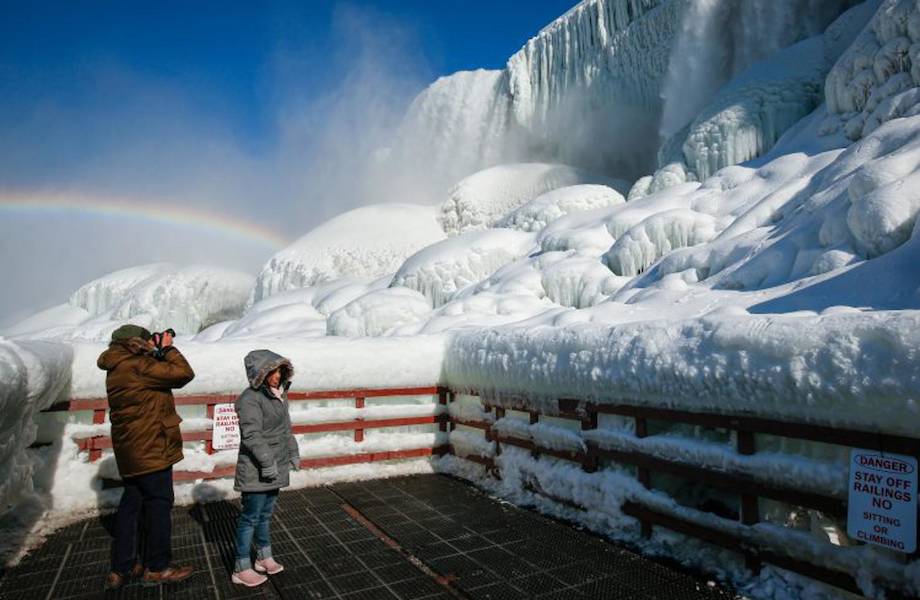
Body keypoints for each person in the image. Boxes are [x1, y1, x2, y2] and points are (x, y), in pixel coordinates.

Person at [97, 324, 196, 590]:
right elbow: (184, 374)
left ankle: (123, 566)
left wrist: (153, 351)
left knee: (131, 505)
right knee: (159, 504)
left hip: (130, 449)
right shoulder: (139, 366)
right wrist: (167, 348)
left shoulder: (118, 365)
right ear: (135, 343)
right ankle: (158, 567)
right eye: (147, 340)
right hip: (150, 447)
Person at [231, 349, 300, 587]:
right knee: (250, 517)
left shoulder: (278, 396)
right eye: (271, 371)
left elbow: (285, 429)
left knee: (265, 515)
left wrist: (293, 452)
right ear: (259, 373)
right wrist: (268, 462)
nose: (277, 376)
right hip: (256, 468)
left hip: (276, 466)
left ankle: (263, 556)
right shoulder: (249, 399)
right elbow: (251, 435)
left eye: (280, 370)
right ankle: (241, 567)